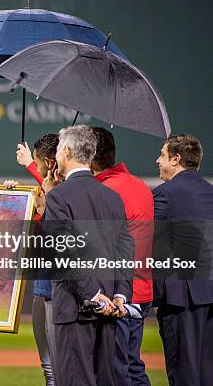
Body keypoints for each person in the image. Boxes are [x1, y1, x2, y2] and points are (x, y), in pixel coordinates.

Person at [44, 125, 133, 386]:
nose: (57, 156)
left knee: (75, 380)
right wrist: (119, 295)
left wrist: (93, 295)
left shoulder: (59, 197)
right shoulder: (112, 197)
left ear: (68, 151)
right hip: (110, 308)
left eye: (59, 150)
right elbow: (125, 250)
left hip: (76, 307)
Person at [91, 127, 154, 386]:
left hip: (118, 294)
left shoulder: (106, 191)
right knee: (131, 367)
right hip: (140, 290)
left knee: (115, 372)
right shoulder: (138, 185)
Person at [153, 134, 213, 385]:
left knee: (183, 373)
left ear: (176, 159)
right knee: (207, 372)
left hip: (181, 298)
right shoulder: (210, 192)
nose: (157, 160)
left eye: (162, 155)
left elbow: (151, 246)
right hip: (209, 292)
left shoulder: (165, 193)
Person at [5, 133, 59, 386]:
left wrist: (28, 165)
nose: (35, 168)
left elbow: (60, 199)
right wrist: (21, 202)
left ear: (48, 162)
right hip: (42, 284)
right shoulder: (49, 193)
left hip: (60, 290)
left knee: (59, 366)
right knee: (48, 367)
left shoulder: (70, 190)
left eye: (38, 163)